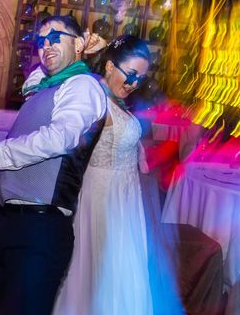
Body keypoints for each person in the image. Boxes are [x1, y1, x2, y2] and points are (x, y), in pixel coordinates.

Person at [0, 15, 107, 315]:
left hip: (38, 230)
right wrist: (3, 179)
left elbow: (59, 139)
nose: (46, 44)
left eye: (56, 36)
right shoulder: (49, 85)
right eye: (41, 40)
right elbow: (33, 84)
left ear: (79, 42)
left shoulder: (83, 86)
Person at [52, 35, 154, 315]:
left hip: (125, 198)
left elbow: (120, 133)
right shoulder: (93, 97)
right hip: (102, 198)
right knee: (97, 272)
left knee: (120, 271)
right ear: (109, 67)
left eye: (140, 79)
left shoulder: (116, 100)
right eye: (131, 74)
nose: (134, 84)